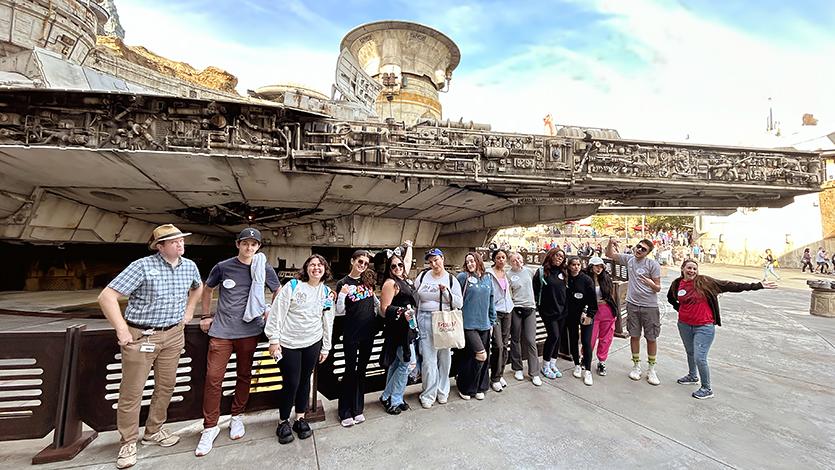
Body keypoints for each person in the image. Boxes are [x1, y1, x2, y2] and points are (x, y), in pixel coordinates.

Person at [98, 224, 203, 469]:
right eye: (174, 241)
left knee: (166, 385)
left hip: (174, 334)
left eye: (181, 240)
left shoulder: (189, 266)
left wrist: (189, 312)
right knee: (132, 391)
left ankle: (154, 430)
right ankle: (128, 441)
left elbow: (197, 287)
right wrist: (122, 328)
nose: (181, 244)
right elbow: (107, 296)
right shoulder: (142, 266)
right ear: (160, 246)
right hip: (142, 335)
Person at [195, 228, 280, 456]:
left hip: (250, 330)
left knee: (244, 374)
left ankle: (237, 416)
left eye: (254, 244)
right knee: (214, 378)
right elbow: (208, 288)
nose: (249, 248)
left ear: (258, 247)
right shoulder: (223, 267)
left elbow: (278, 290)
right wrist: (205, 316)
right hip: (222, 330)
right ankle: (210, 427)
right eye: (245, 243)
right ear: (238, 244)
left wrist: (270, 310)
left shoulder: (263, 267)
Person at [667, 259, 777, 399]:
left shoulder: (705, 281)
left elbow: (730, 285)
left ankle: (707, 388)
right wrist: (681, 310)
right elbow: (671, 298)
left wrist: (757, 285)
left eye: (694, 269)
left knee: (700, 357)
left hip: (704, 326)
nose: (692, 271)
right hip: (684, 325)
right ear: (682, 268)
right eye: (689, 268)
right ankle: (692, 376)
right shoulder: (677, 284)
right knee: (690, 352)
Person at [265, 255, 334, 445]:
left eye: (320, 265)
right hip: (289, 343)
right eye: (312, 265)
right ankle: (283, 421)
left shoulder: (327, 292)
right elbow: (277, 312)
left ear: (325, 269)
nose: (316, 268)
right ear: (306, 268)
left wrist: (326, 347)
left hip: (313, 342)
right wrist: (274, 339)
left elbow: (328, 321)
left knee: (305, 381)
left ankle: (300, 418)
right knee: (291, 382)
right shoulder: (293, 286)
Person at [606, 237, 662, 385]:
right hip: (632, 304)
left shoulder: (653, 264)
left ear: (648, 252)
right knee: (634, 335)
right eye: (638, 247)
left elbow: (658, 287)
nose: (639, 250)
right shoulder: (629, 259)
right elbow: (610, 255)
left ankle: (651, 369)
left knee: (651, 337)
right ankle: (636, 366)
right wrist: (611, 242)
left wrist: (651, 284)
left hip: (649, 306)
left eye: (643, 249)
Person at [335, 249, 382, 427]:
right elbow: (339, 311)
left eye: (365, 263)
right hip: (351, 334)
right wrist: (342, 294)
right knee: (349, 370)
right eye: (359, 262)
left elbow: (375, 303)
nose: (362, 265)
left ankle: (357, 408)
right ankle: (344, 411)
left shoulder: (367, 281)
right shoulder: (343, 283)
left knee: (361, 370)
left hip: (368, 333)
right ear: (352, 261)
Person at [414, 248, 463, 408]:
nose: (434, 263)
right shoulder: (422, 276)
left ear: (442, 258)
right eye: (430, 261)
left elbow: (459, 303)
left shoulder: (451, 279)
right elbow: (416, 299)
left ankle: (443, 391)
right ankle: (428, 393)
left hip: (444, 322)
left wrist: (447, 293)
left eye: (436, 260)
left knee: (444, 359)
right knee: (428, 360)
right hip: (425, 320)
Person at [379, 246, 417, 415]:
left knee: (398, 363)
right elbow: (384, 309)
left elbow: (407, 261)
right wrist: (401, 312)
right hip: (398, 329)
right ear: (389, 269)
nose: (398, 269)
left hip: (408, 327)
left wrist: (409, 246)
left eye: (400, 265)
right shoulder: (390, 283)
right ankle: (393, 398)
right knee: (406, 364)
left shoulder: (403, 280)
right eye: (393, 266)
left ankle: (390, 396)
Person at [456, 253, 495, 400]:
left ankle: (481, 386)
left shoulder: (488, 278)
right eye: (467, 262)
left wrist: (492, 320)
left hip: (484, 324)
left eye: (472, 261)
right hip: (468, 325)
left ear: (478, 261)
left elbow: (491, 300)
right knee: (478, 355)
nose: (470, 264)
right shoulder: (463, 277)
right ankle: (465, 386)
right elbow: (456, 298)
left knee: (484, 358)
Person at [532, 248, 567, 380]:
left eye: (562, 257)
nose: (559, 258)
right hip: (548, 310)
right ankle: (545, 365)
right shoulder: (542, 272)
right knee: (553, 335)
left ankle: (553, 363)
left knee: (558, 337)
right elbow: (535, 290)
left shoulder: (564, 271)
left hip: (563, 309)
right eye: (557, 255)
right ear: (551, 256)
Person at [508, 252, 542, 386]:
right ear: (510, 262)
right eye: (514, 259)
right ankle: (517, 368)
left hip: (530, 308)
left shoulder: (530, 271)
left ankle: (534, 372)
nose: (517, 261)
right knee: (515, 339)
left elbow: (540, 285)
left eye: (519, 258)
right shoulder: (508, 275)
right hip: (516, 308)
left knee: (530, 340)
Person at [565, 256, 598, 386]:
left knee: (586, 341)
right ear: (569, 266)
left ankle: (588, 370)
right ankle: (577, 364)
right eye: (573, 264)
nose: (576, 267)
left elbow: (592, 301)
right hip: (571, 315)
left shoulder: (586, 280)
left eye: (578, 264)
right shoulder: (566, 278)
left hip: (585, 314)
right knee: (573, 339)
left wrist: (589, 314)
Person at [586, 256, 619, 377]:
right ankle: (586, 357)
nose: (599, 269)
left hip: (607, 311)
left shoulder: (606, 278)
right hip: (592, 311)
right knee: (590, 338)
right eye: (596, 266)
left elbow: (610, 296)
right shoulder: (585, 279)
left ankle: (601, 361)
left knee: (606, 338)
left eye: (601, 266)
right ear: (591, 266)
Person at [486, 249, 514, 392]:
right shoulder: (488, 274)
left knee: (504, 343)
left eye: (503, 257)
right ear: (494, 259)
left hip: (507, 311)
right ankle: (494, 377)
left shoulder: (506, 273)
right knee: (497, 345)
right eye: (498, 257)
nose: (501, 260)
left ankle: (500, 373)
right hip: (495, 312)